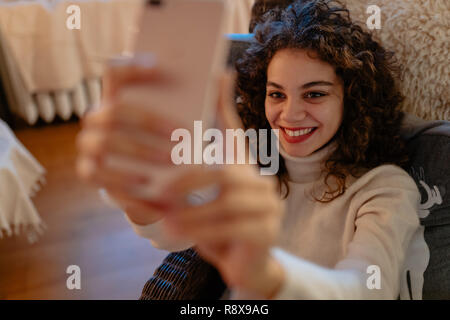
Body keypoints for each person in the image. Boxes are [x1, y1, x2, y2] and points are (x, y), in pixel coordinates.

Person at [76, 0, 420, 299]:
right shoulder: (255, 158)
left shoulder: (385, 189)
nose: (290, 114)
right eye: (277, 94)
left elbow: (366, 291)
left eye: (314, 93)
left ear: (354, 101)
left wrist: (264, 273)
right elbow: (174, 230)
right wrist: (138, 197)